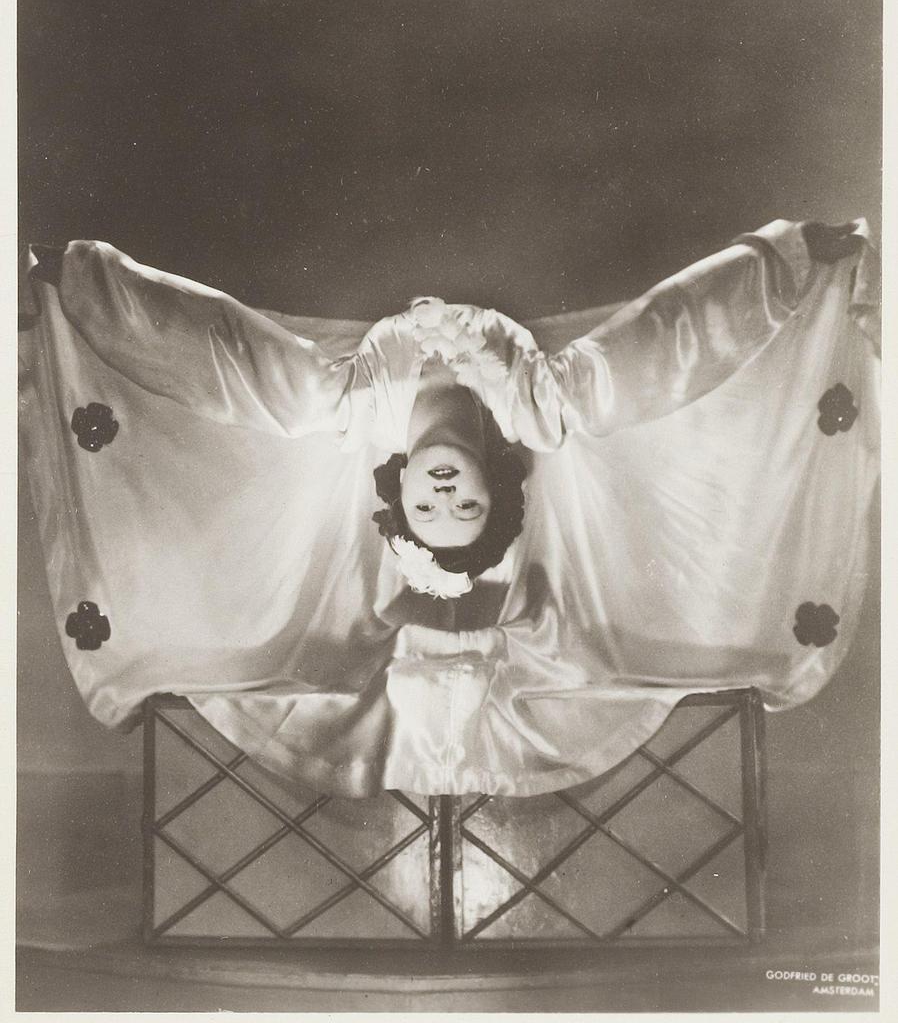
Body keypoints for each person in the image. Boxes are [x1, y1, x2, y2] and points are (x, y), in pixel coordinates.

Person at [20, 218, 879, 796]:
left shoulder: (356, 407)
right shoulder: (540, 405)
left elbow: (215, 350)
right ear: (495, 484)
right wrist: (798, 259)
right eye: (465, 503)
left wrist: (83, 284)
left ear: (396, 488)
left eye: (431, 510)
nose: (443, 495)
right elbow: (678, 336)